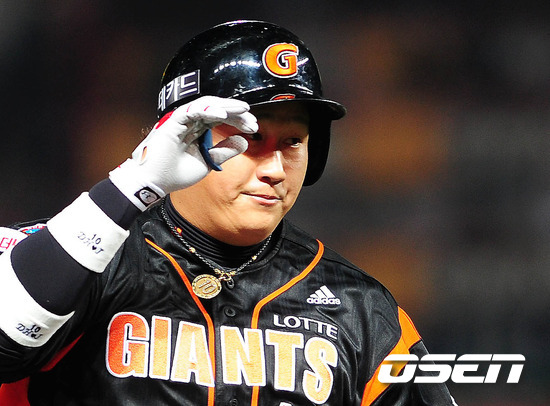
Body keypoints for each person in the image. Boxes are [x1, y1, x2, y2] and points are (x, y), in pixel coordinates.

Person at [0, 20, 456, 405]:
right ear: (179, 137)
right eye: (250, 139)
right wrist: (134, 182)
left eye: (293, 142)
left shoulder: (362, 308)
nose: (275, 169)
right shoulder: (76, 256)